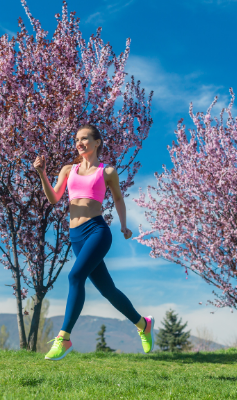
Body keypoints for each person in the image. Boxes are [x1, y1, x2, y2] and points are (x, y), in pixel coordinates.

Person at [33, 124, 154, 361]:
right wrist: (42, 173)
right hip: (76, 236)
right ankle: (143, 324)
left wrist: (124, 225)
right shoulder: (69, 170)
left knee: (74, 277)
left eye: (85, 138)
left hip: (97, 231)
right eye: (77, 139)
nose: (80, 143)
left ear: (97, 142)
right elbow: (54, 198)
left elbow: (118, 198)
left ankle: (64, 338)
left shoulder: (106, 171)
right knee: (107, 290)